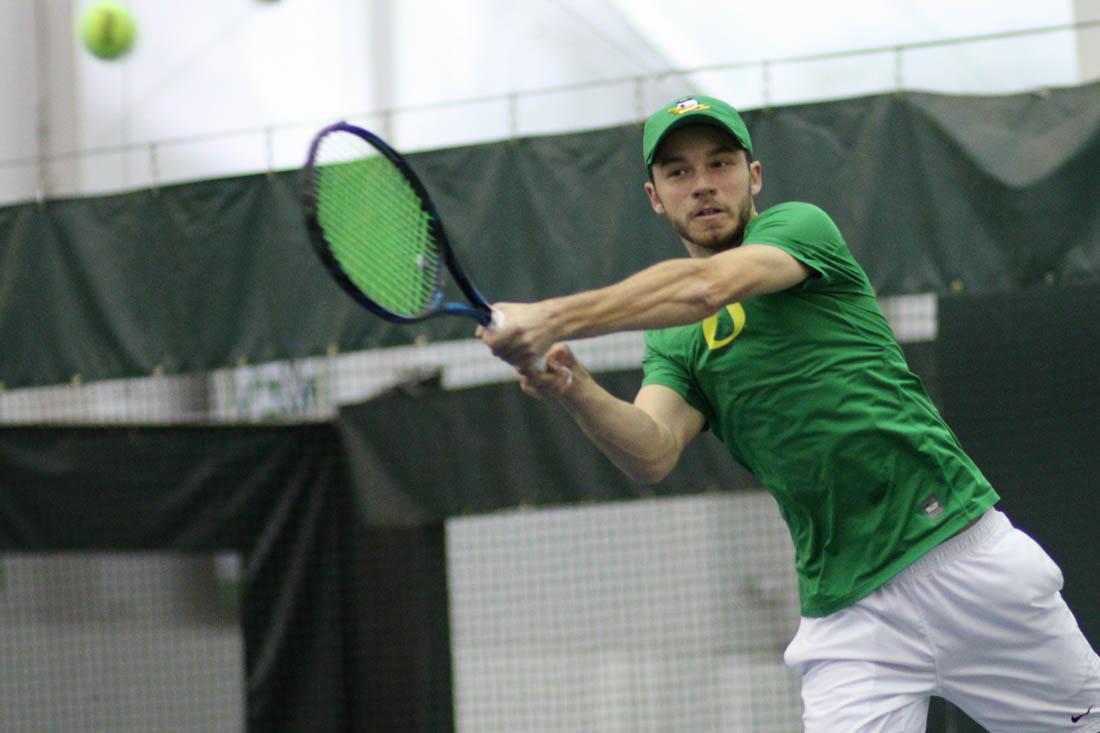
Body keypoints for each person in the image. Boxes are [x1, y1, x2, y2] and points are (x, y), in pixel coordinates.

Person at [477, 95, 1100, 731]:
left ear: (754, 177)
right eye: (679, 172)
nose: (703, 185)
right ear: (655, 196)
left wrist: (553, 316)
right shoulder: (672, 341)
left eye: (719, 164)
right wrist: (574, 386)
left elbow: (705, 289)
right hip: (849, 619)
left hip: (964, 561)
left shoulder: (802, 229)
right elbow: (653, 450)